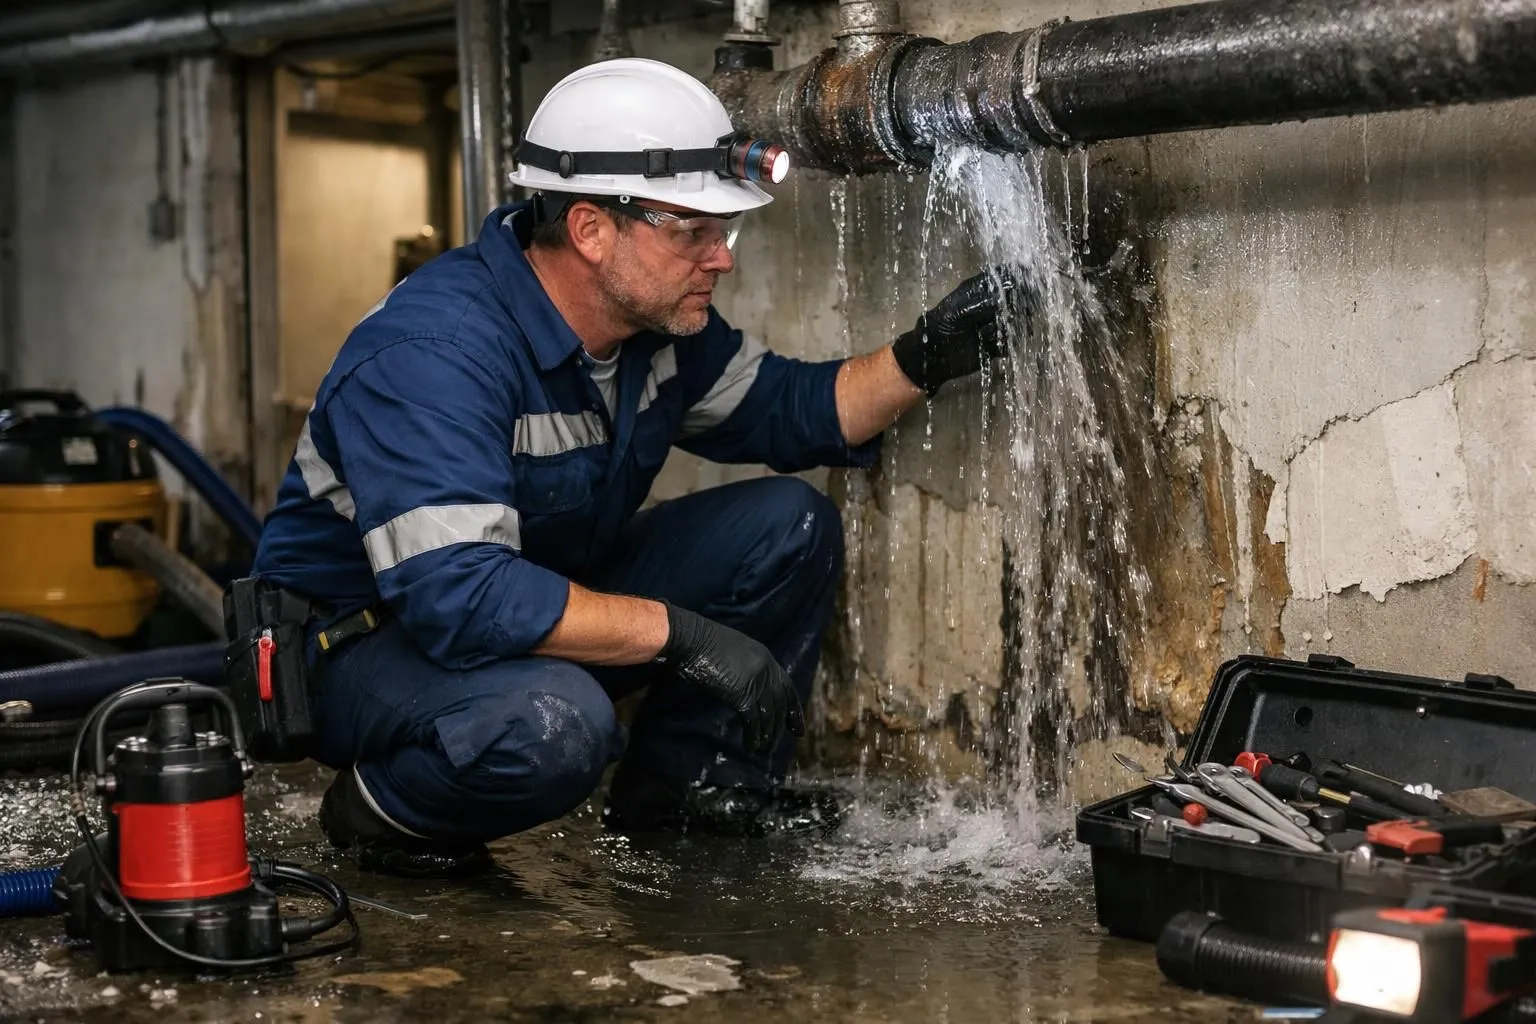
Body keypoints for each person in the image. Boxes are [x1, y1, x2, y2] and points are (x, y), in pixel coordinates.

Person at [250, 57, 1019, 878]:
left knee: (785, 526)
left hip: (533, 596)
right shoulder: (436, 353)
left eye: (720, 232)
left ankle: (685, 794)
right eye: (692, 232)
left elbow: (794, 410)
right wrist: (683, 637)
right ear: (590, 229)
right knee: (559, 724)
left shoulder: (649, 334)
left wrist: (928, 355)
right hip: (368, 648)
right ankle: (382, 807)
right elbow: (460, 598)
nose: (719, 258)